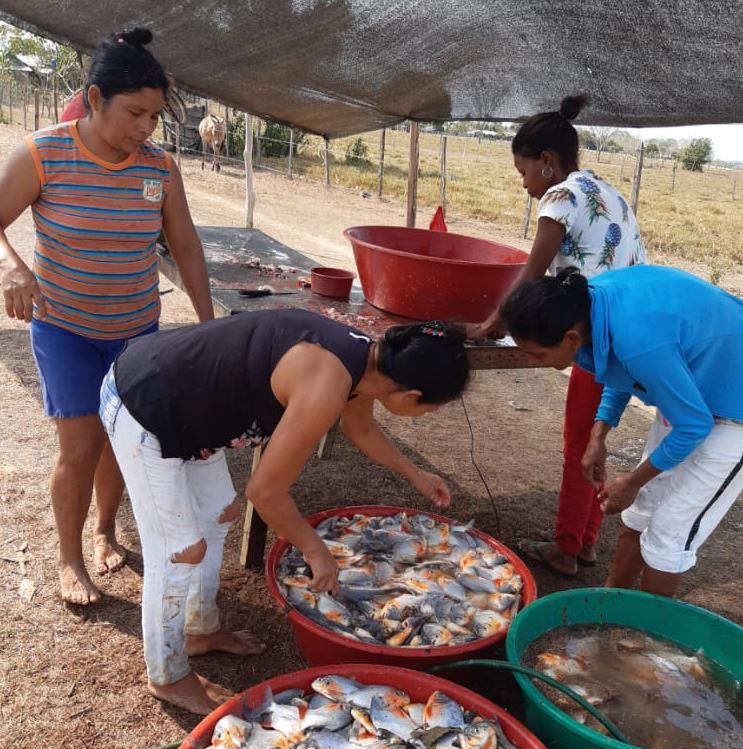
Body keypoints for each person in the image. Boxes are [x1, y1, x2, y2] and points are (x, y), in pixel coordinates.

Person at [100, 309, 470, 714]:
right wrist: (315, 550)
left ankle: (198, 629)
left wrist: (414, 474)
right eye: (430, 411)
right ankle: (167, 674)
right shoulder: (327, 383)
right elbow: (266, 492)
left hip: (193, 415)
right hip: (145, 405)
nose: (426, 417)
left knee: (222, 512)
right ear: (412, 395)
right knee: (181, 550)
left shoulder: (367, 362)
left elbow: (361, 428)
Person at [0, 28, 213, 605]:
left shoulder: (159, 168)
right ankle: (69, 559)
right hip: (65, 329)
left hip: (135, 331)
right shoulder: (44, 153)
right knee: (80, 446)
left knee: (124, 441)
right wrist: (12, 267)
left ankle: (103, 531)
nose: (145, 127)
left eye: (154, 116)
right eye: (134, 113)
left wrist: (206, 320)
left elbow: (186, 246)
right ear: (94, 100)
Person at [471, 95, 646, 576]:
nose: (524, 184)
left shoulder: (561, 194)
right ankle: (585, 542)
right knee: (594, 438)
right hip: (627, 334)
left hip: (595, 335)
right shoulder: (608, 190)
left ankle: (566, 549)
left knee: (579, 443)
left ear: (547, 162)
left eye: (523, 171)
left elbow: (532, 272)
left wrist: (492, 324)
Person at [500, 265, 743, 598]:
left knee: (668, 535)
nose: (531, 361)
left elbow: (693, 424)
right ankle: (611, 607)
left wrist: (632, 480)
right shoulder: (585, 302)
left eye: (536, 354)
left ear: (570, 338)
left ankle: (643, 640)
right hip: (693, 395)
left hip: (733, 414)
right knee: (640, 511)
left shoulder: (634, 335)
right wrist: (598, 435)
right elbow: (621, 368)